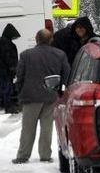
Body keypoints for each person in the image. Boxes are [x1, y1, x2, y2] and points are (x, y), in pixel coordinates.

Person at [12, 29, 70, 164]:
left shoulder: (26, 55)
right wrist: (60, 90)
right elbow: (66, 73)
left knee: (28, 128)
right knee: (47, 127)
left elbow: (20, 76)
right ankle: (45, 155)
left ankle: (23, 155)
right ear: (51, 40)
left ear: (36, 39)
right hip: (50, 95)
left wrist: (19, 92)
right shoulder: (60, 54)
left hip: (30, 96)